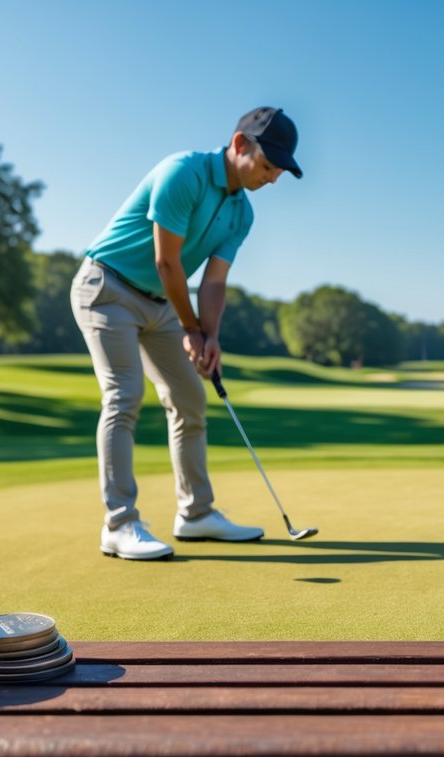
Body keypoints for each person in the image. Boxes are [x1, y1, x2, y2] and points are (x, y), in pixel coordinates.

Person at [70, 107, 303, 560]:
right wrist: (191, 329)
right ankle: (118, 524)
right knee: (124, 395)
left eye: (279, 171)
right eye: (268, 166)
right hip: (108, 287)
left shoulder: (242, 214)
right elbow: (167, 262)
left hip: (160, 304)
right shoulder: (184, 172)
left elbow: (213, 281)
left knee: (191, 399)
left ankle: (195, 514)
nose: (272, 178)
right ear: (239, 145)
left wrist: (209, 337)